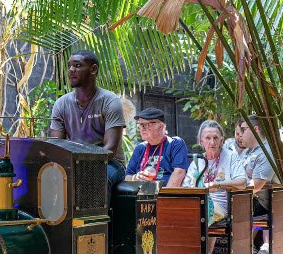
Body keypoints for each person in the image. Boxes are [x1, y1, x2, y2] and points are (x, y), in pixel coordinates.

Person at [49, 51, 126, 192]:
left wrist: (81, 166)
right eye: (69, 66)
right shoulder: (61, 104)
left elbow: (110, 150)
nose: (71, 70)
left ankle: (101, 215)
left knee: (96, 178)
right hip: (74, 163)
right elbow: (57, 147)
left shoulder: (110, 101)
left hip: (111, 164)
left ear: (93, 69)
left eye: (77, 65)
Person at [183, 120, 247, 254]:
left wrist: (217, 185)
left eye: (216, 138)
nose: (212, 142)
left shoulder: (231, 156)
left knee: (200, 213)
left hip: (222, 204)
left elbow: (242, 181)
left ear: (222, 140)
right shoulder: (197, 161)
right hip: (198, 203)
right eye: (208, 138)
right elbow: (187, 186)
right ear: (201, 141)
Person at [237, 115, 281, 254]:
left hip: (275, 204)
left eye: (243, 130)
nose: (241, 135)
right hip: (257, 201)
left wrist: (227, 185)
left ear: (255, 129)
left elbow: (256, 185)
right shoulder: (250, 151)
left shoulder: (266, 151)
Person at [125, 108, 188, 187]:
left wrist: (164, 197)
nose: (142, 128)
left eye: (147, 124)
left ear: (160, 127)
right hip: (141, 195)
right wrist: (135, 177)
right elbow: (127, 177)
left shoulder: (175, 144)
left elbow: (179, 173)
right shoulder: (140, 148)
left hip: (165, 195)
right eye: (141, 124)